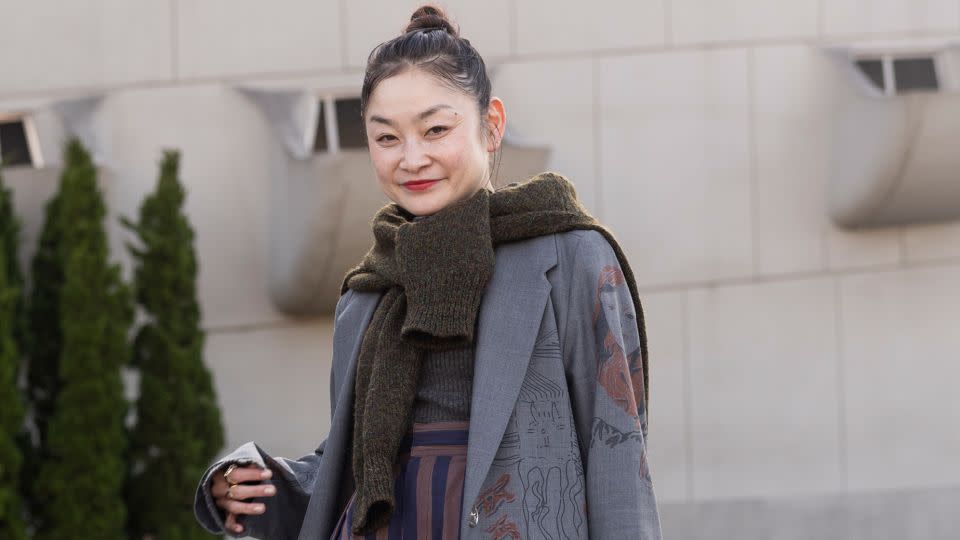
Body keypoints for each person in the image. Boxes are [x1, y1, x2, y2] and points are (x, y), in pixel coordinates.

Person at [194, 5, 662, 539]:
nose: (411, 158)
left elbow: (618, 459)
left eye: (435, 129)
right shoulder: (366, 294)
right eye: (387, 138)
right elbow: (351, 467)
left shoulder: (571, 257)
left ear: (492, 126)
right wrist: (256, 485)